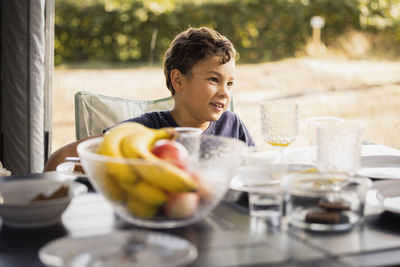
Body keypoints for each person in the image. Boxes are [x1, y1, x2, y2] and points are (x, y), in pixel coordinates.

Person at [44, 27, 254, 171]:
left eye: (230, 83)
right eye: (214, 79)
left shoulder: (233, 126)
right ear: (178, 81)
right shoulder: (144, 131)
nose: (225, 92)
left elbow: (258, 171)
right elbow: (61, 158)